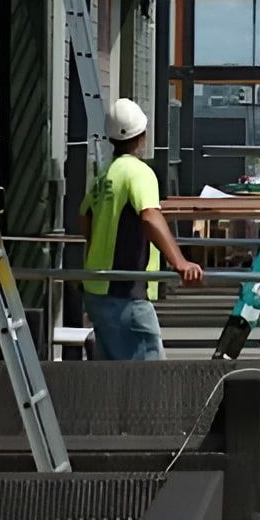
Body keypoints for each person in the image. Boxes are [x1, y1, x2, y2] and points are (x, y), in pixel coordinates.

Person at [80, 98, 202, 360]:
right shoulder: (139, 172)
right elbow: (149, 216)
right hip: (125, 290)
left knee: (112, 378)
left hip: (96, 289)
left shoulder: (104, 175)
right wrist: (180, 262)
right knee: (148, 381)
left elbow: (86, 218)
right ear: (143, 136)